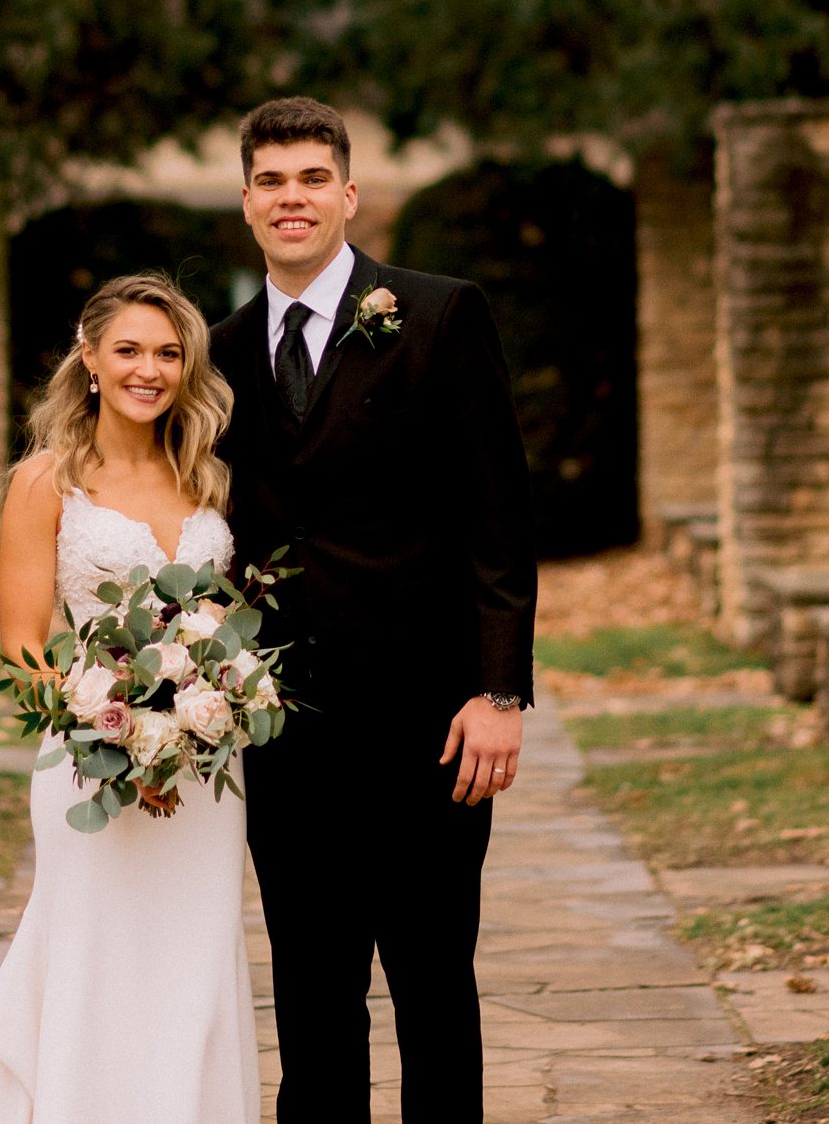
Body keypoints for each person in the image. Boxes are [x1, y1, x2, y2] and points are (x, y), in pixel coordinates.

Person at [213, 96, 537, 1124]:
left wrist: (500, 688)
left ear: (348, 194)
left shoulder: (439, 313)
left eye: (313, 177)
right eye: (272, 180)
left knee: (433, 984)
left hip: (429, 721)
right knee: (312, 997)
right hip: (282, 729)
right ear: (248, 201)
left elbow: (498, 516)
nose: (292, 196)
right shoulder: (211, 354)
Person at [0, 271, 261, 1124]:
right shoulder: (45, 481)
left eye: (168, 353)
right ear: (89, 356)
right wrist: (114, 729)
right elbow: (23, 644)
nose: (149, 368)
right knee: (96, 963)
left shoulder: (208, 474)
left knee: (194, 965)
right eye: (128, 349)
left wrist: (197, 716)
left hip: (206, 774)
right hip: (89, 763)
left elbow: (229, 617)